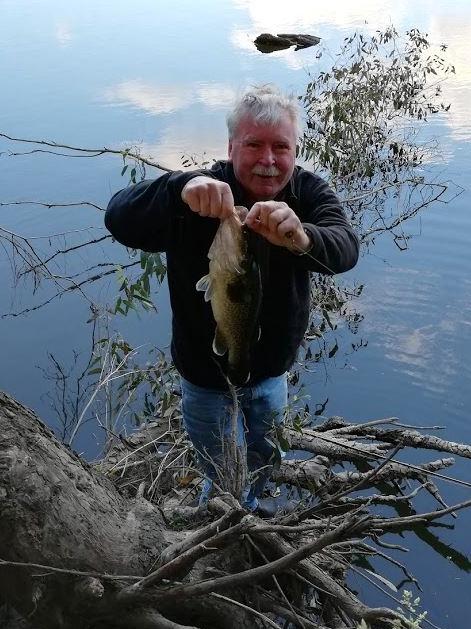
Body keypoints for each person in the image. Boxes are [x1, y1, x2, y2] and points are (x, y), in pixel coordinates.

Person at [105, 85, 359, 515]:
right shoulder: (200, 195)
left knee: (264, 454)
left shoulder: (307, 193)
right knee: (220, 468)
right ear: (231, 146)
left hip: (272, 373)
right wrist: (178, 188)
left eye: (282, 146)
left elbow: (346, 247)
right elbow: (119, 217)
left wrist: (302, 237)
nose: (268, 160)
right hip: (204, 377)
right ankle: (220, 514)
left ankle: (251, 504)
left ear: (295, 149)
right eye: (254, 144)